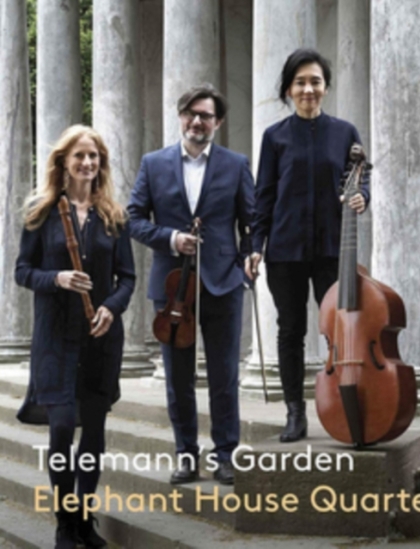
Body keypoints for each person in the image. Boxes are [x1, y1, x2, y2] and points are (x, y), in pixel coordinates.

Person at [15, 125, 135, 549]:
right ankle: (65, 522)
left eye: (94, 156)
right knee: (62, 428)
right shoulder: (41, 213)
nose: (87, 162)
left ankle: (85, 518)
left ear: (101, 163)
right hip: (56, 339)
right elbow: (22, 271)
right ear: (64, 162)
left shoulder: (114, 216)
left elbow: (127, 278)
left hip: (101, 338)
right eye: (79, 155)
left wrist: (110, 307)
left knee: (95, 432)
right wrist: (58, 278)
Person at [128, 84, 254, 486]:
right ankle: (186, 455)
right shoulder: (153, 163)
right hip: (172, 288)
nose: (197, 121)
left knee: (224, 376)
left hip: (223, 283)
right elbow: (133, 219)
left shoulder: (236, 164)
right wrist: (170, 238)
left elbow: (251, 222)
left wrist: (248, 259)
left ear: (218, 122)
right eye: (191, 113)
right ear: (181, 116)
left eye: (206, 115)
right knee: (178, 378)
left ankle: (225, 456)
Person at [247, 48, 371, 443]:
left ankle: (342, 404)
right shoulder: (274, 137)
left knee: (339, 327)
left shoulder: (345, 133)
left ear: (326, 87)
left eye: (315, 81)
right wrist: (255, 245)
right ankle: (295, 412)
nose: (308, 89)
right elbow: (264, 196)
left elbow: (361, 177)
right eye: (300, 82)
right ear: (288, 89)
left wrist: (362, 195)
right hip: (285, 250)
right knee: (291, 331)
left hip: (333, 248)